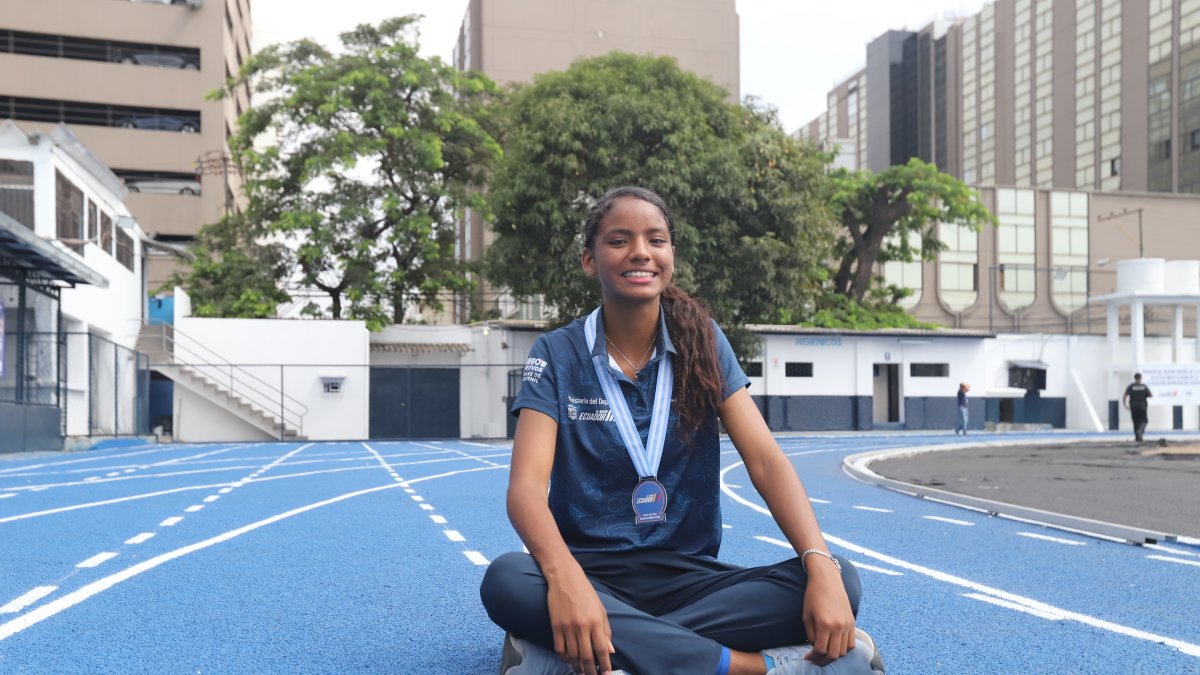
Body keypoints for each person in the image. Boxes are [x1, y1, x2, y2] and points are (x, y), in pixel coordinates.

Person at [479, 186, 885, 675]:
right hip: (590, 571)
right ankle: (757, 668)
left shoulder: (704, 343)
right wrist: (567, 582)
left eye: (656, 239)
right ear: (589, 260)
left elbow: (764, 461)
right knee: (507, 580)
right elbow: (525, 488)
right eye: (619, 241)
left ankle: (583, 649)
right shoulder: (556, 353)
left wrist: (818, 563)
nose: (641, 252)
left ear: (671, 255)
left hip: (690, 577)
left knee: (842, 579)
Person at [1123, 373, 1152, 442]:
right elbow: (1150, 395)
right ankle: (1140, 432)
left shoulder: (1131, 386)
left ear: (1135, 378)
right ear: (1140, 378)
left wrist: (1125, 404)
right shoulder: (1144, 386)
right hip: (1142, 406)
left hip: (1133, 406)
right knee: (1144, 420)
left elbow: (1124, 396)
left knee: (1135, 421)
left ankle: (1137, 437)